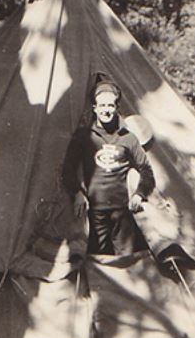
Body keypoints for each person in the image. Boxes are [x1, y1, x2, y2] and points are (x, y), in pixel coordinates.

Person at [62, 74, 155, 256]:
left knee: (126, 260)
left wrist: (139, 194)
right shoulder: (83, 135)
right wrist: (77, 192)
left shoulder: (128, 138)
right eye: (102, 106)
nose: (106, 111)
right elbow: (68, 168)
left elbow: (146, 170)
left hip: (122, 211)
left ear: (117, 108)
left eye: (110, 105)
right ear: (94, 108)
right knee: (99, 261)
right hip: (95, 212)